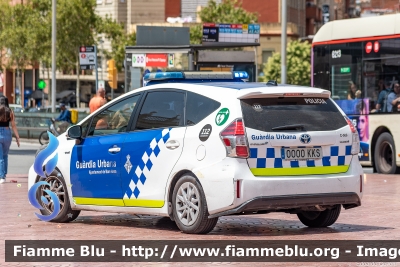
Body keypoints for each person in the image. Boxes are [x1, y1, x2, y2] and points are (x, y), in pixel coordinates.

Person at [0, 96, 20, 184]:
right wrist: (17, 137)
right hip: (7, 133)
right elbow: (13, 126)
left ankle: (1, 177)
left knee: (0, 157)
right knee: (5, 156)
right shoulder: (10, 111)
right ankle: (4, 175)